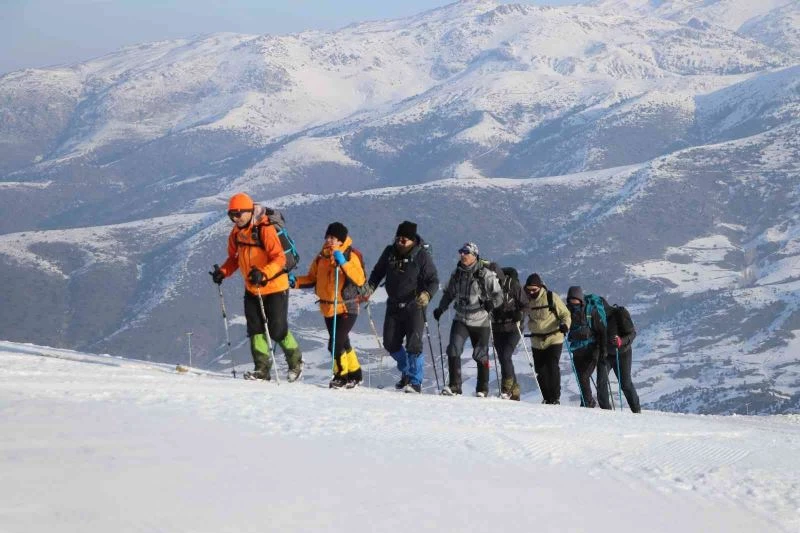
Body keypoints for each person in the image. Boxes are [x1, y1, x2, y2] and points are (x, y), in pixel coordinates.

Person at [209, 192, 303, 381]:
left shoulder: (265, 229)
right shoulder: (236, 233)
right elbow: (234, 259)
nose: (234, 219)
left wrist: (264, 273)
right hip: (252, 287)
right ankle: (262, 369)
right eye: (231, 215)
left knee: (277, 329)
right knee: (255, 328)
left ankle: (296, 363)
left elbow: (279, 258)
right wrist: (224, 272)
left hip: (275, 286)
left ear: (248, 211)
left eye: (237, 214)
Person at [365, 221, 439, 394]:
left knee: (414, 343)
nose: (400, 242)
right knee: (390, 343)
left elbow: (433, 280)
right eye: (398, 238)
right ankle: (407, 370)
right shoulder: (389, 252)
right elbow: (378, 272)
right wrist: (369, 288)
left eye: (404, 240)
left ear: (412, 240)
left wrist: (427, 294)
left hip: (415, 305)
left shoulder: (421, 256)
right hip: (393, 305)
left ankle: (415, 381)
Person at [293, 222, 366, 389]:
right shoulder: (322, 257)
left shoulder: (350, 255)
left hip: (347, 306)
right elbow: (312, 279)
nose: (329, 240)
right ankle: (355, 374)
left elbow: (360, 279)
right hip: (328, 307)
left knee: (335, 343)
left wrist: (344, 264)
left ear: (341, 240)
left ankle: (341, 376)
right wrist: (294, 282)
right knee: (343, 342)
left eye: (333, 237)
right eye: (328, 237)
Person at [432, 242, 503, 397]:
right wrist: (441, 309)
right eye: (461, 252)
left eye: (466, 252)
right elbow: (449, 294)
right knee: (453, 349)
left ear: (474, 256)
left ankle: (482, 389)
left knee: (480, 354)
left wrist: (493, 304)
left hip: (481, 321)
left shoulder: (486, 274)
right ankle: (454, 386)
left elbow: (499, 296)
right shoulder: (456, 274)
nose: (462, 255)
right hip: (461, 319)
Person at [522, 273, 570, 405]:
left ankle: (555, 398)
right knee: (540, 370)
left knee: (552, 366)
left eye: (534, 290)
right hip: (536, 340)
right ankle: (547, 398)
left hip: (554, 337)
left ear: (540, 287)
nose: (531, 292)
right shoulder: (525, 299)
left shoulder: (551, 297)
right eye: (528, 289)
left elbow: (565, 313)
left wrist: (565, 325)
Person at [488, 265, 528, 400]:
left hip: (513, 327)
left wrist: (520, 314)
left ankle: (506, 388)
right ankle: (515, 391)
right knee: (504, 359)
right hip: (497, 328)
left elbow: (526, 305)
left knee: (505, 355)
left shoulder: (513, 285)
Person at [565, 286, 607, 407]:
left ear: (580, 299)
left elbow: (602, 330)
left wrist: (603, 350)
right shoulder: (567, 311)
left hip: (592, 349)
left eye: (575, 300)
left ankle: (588, 403)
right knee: (580, 377)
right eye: (571, 300)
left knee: (584, 376)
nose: (573, 303)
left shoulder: (590, 312)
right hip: (577, 350)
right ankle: (585, 401)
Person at [596, 304, 641, 413]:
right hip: (605, 354)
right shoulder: (594, 317)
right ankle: (606, 412)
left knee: (625, 384)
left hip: (622, 353)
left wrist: (621, 341)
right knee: (601, 381)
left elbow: (632, 333)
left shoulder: (618, 314)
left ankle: (636, 411)